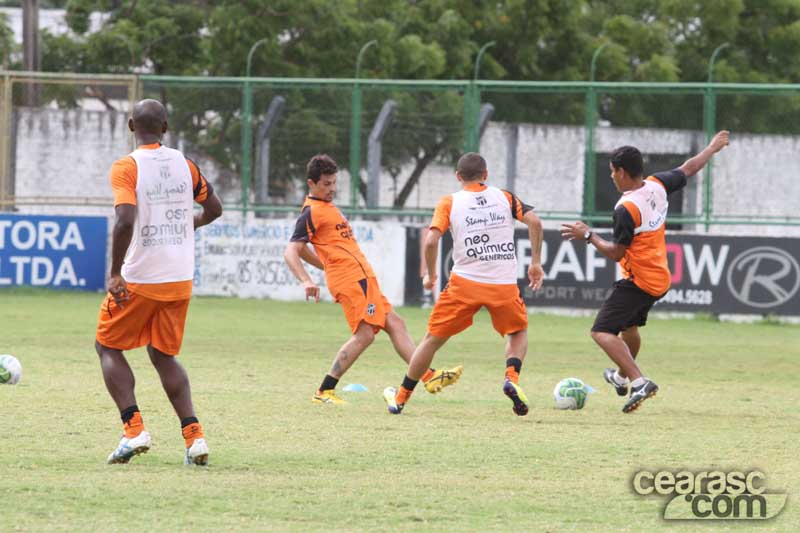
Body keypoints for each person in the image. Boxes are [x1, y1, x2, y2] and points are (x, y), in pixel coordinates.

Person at [560, 130, 730, 413]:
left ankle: (639, 381)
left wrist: (588, 235)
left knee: (601, 332)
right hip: (659, 277)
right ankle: (620, 377)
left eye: (613, 172)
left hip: (640, 280)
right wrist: (711, 148)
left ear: (623, 172)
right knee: (628, 329)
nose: (612, 176)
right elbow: (689, 168)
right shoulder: (657, 184)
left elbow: (616, 252)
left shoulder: (626, 208)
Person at [95, 99, 222, 465]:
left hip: (141, 277)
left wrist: (116, 271)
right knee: (163, 354)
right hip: (179, 278)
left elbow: (124, 220)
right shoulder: (186, 164)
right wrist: (190, 224)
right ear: (165, 127)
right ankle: (194, 437)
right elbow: (214, 209)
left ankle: (133, 431)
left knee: (106, 346)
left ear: (131, 126)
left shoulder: (126, 166)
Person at [284, 154, 463, 404]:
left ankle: (428, 377)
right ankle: (324, 390)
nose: (332, 189)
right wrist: (306, 280)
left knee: (395, 324)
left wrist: (327, 265)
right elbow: (292, 250)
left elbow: (305, 249)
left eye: (334, 183)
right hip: (351, 280)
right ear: (311, 183)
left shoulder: (327, 208)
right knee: (365, 334)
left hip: (362, 278)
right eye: (326, 184)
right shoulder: (311, 212)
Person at [383, 152, 544, 415]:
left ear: (458, 176)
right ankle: (511, 379)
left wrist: (431, 275)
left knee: (431, 341)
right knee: (517, 333)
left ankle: (400, 398)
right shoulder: (504, 197)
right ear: (486, 174)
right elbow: (535, 222)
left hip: (464, 284)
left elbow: (431, 241)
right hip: (502, 283)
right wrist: (535, 263)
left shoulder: (449, 202)